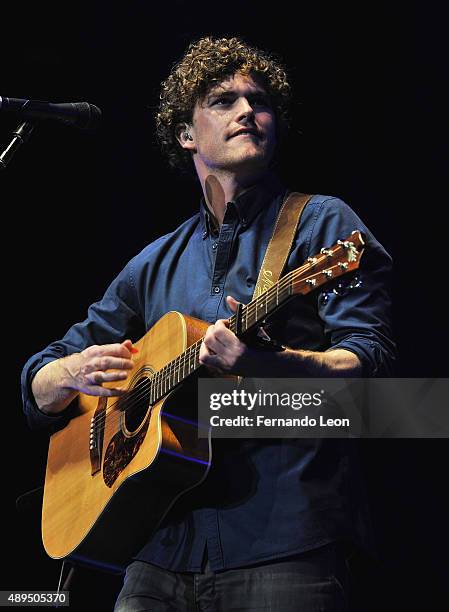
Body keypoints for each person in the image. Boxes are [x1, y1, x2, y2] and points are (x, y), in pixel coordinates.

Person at [21, 36, 395, 611]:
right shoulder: (154, 263)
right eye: (224, 100)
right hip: (157, 549)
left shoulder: (322, 226)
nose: (248, 110)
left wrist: (261, 366)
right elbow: (44, 374)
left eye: (260, 100)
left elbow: (371, 370)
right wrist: (61, 375)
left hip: (282, 542)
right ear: (186, 135)